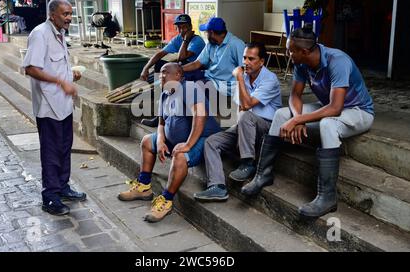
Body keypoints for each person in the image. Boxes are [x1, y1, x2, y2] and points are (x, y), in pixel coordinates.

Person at [241, 24, 375, 219]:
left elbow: (335, 108)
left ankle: (327, 197)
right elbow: (295, 95)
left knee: (328, 124)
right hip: (328, 106)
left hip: (357, 111)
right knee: (281, 115)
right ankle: (263, 174)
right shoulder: (301, 63)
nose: (288, 54)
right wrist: (297, 119)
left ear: (303, 51)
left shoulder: (338, 61)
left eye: (290, 50)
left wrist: (300, 119)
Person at [118, 63, 221, 223]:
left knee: (180, 156)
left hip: (202, 139)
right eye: (160, 73)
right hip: (176, 140)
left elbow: (200, 116)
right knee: (147, 141)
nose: (161, 76)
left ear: (178, 75)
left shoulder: (189, 88)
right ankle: (144, 187)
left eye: (165, 73)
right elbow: (161, 123)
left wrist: (187, 145)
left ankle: (166, 200)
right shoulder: (165, 94)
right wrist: (160, 140)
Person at [22, 0, 87, 216]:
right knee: (51, 151)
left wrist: (70, 76)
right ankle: (50, 197)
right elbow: (31, 68)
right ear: (52, 14)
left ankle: (63, 187)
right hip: (48, 106)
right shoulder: (40, 34)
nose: (69, 18)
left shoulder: (59, 33)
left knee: (64, 147)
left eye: (70, 13)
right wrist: (61, 82)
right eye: (65, 14)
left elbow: (56, 66)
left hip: (63, 104)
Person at [194, 42, 282, 201]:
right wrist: (239, 132)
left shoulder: (270, 79)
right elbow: (240, 108)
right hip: (246, 126)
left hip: (267, 129)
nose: (246, 62)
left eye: (251, 59)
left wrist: (240, 78)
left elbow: (247, 106)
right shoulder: (244, 77)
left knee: (247, 115)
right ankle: (217, 186)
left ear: (261, 61)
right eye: (244, 58)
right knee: (211, 141)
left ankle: (248, 162)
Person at [140, 14, 206, 127]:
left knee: (171, 75)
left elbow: (182, 57)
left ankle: (159, 117)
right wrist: (145, 68)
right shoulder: (178, 39)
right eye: (179, 27)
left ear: (190, 27)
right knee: (160, 66)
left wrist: (186, 39)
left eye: (184, 27)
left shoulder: (197, 41)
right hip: (182, 67)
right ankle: (158, 104)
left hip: (194, 71)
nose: (181, 30)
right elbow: (160, 54)